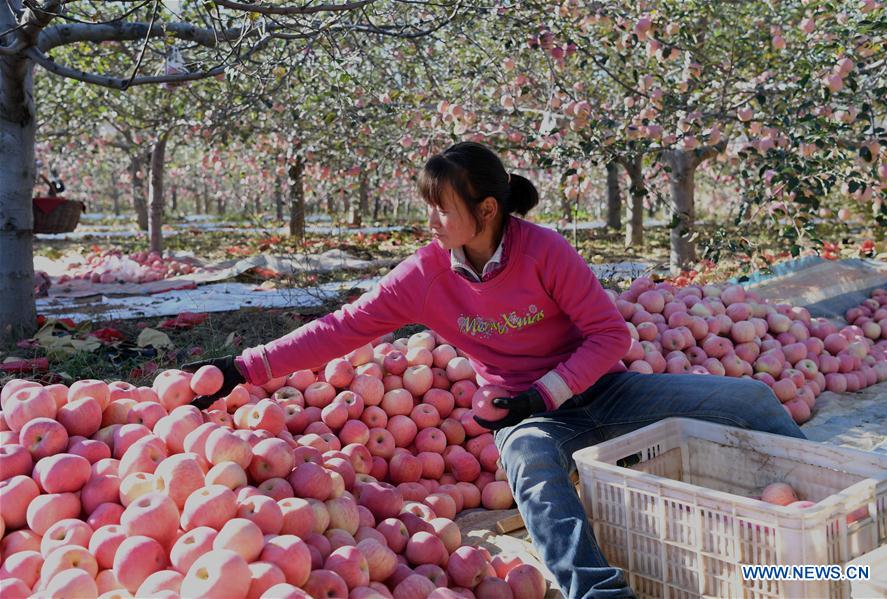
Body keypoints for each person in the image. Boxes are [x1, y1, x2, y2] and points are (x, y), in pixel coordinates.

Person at [184, 141, 807, 599]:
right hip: (519, 411)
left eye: (441, 210)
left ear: (486, 210)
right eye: (427, 210)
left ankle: (833, 524)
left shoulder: (544, 252)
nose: (430, 224)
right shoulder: (425, 273)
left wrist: (550, 390)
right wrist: (243, 367)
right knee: (533, 467)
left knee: (750, 401)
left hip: (601, 391)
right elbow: (343, 327)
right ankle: (599, 594)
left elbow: (610, 335)